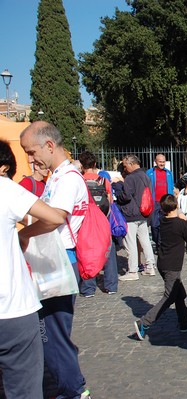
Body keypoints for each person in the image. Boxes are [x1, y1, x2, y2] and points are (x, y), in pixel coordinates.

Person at [19, 121, 92, 398]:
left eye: (31, 151)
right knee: (50, 333)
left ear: (49, 146)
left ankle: (73, 390)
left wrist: (23, 235)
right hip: (53, 261)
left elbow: (55, 218)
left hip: (58, 262)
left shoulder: (68, 178)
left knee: (52, 335)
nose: (30, 158)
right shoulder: (60, 176)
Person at [1, 140, 63, 399]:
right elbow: (55, 217)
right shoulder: (6, 189)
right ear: (5, 167)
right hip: (12, 308)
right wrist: (25, 234)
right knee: (24, 388)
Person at [133, 194, 187, 340]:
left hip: (163, 263)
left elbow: (173, 217)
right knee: (170, 296)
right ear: (176, 206)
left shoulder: (162, 221)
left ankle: (185, 321)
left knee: (179, 294)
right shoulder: (180, 224)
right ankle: (144, 323)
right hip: (172, 266)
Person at [78, 151, 119, 296]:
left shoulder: (79, 181)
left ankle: (89, 287)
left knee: (86, 251)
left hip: (86, 220)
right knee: (108, 249)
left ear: (82, 166)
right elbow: (110, 201)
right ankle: (111, 285)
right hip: (102, 219)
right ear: (95, 164)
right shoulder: (103, 180)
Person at [117, 154, 156, 280]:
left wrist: (119, 196)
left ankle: (133, 271)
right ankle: (150, 267)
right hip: (144, 213)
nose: (124, 168)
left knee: (131, 243)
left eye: (125, 165)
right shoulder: (146, 176)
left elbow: (126, 196)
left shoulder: (130, 178)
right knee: (145, 241)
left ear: (131, 164)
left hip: (131, 214)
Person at [147, 153, 174, 245]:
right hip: (154, 202)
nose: (162, 164)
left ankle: (161, 244)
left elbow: (171, 187)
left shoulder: (169, 173)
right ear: (155, 162)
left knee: (164, 224)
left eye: (163, 162)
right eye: (160, 162)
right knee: (154, 225)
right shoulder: (149, 173)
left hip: (166, 202)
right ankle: (156, 240)